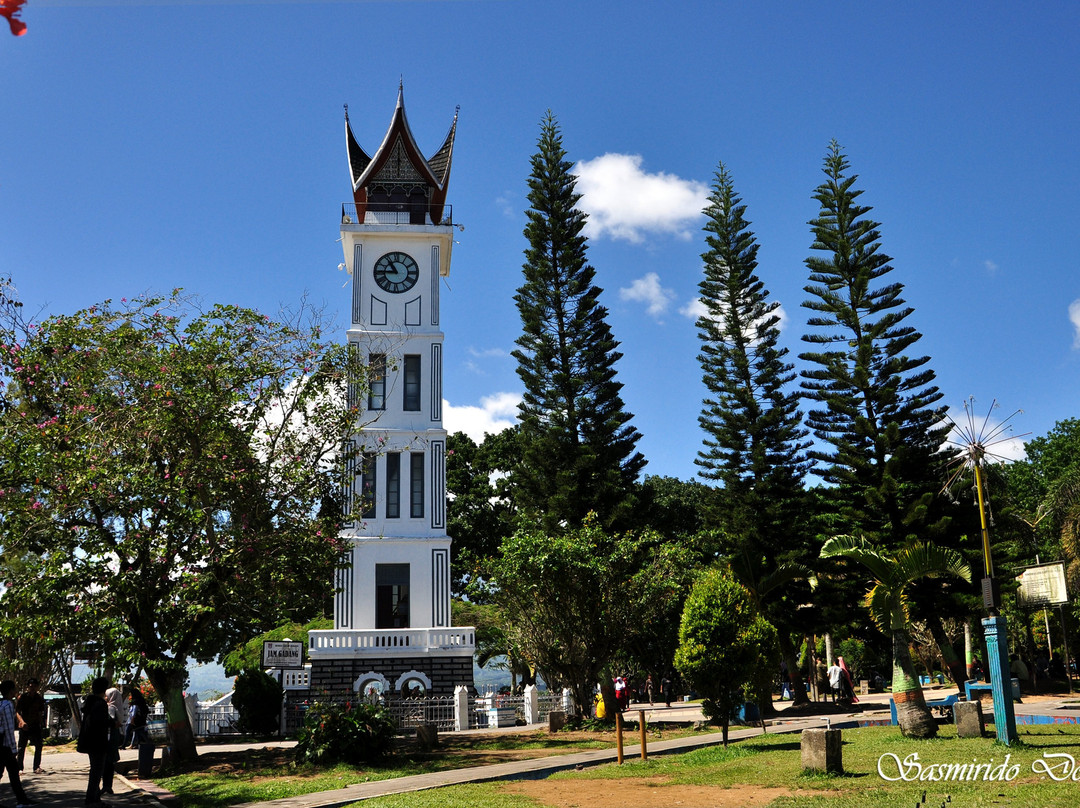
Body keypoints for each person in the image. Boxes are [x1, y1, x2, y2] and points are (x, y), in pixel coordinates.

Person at [0, 680, 34, 808]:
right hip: (5, 746)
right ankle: (22, 800)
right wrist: (13, 749)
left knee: (12, 773)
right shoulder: (8, 705)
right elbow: (8, 729)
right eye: (14, 689)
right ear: (10, 691)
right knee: (13, 773)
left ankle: (22, 799)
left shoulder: (1, 704)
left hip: (2, 745)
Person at [79, 676, 112, 807]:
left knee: (95, 770)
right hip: (98, 742)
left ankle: (95, 798)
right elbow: (100, 722)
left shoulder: (90, 702)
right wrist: (112, 723)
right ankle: (91, 799)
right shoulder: (100, 704)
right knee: (96, 772)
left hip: (89, 741)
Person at [15, 679, 45, 774]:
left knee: (39, 746)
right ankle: (19, 768)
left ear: (37, 687)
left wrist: (42, 724)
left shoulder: (39, 698)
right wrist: (22, 722)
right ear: (27, 687)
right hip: (24, 725)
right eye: (31, 686)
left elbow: (40, 712)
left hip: (35, 725)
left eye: (35, 686)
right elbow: (17, 712)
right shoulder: (22, 698)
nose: (32, 688)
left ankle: (36, 767)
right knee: (21, 747)